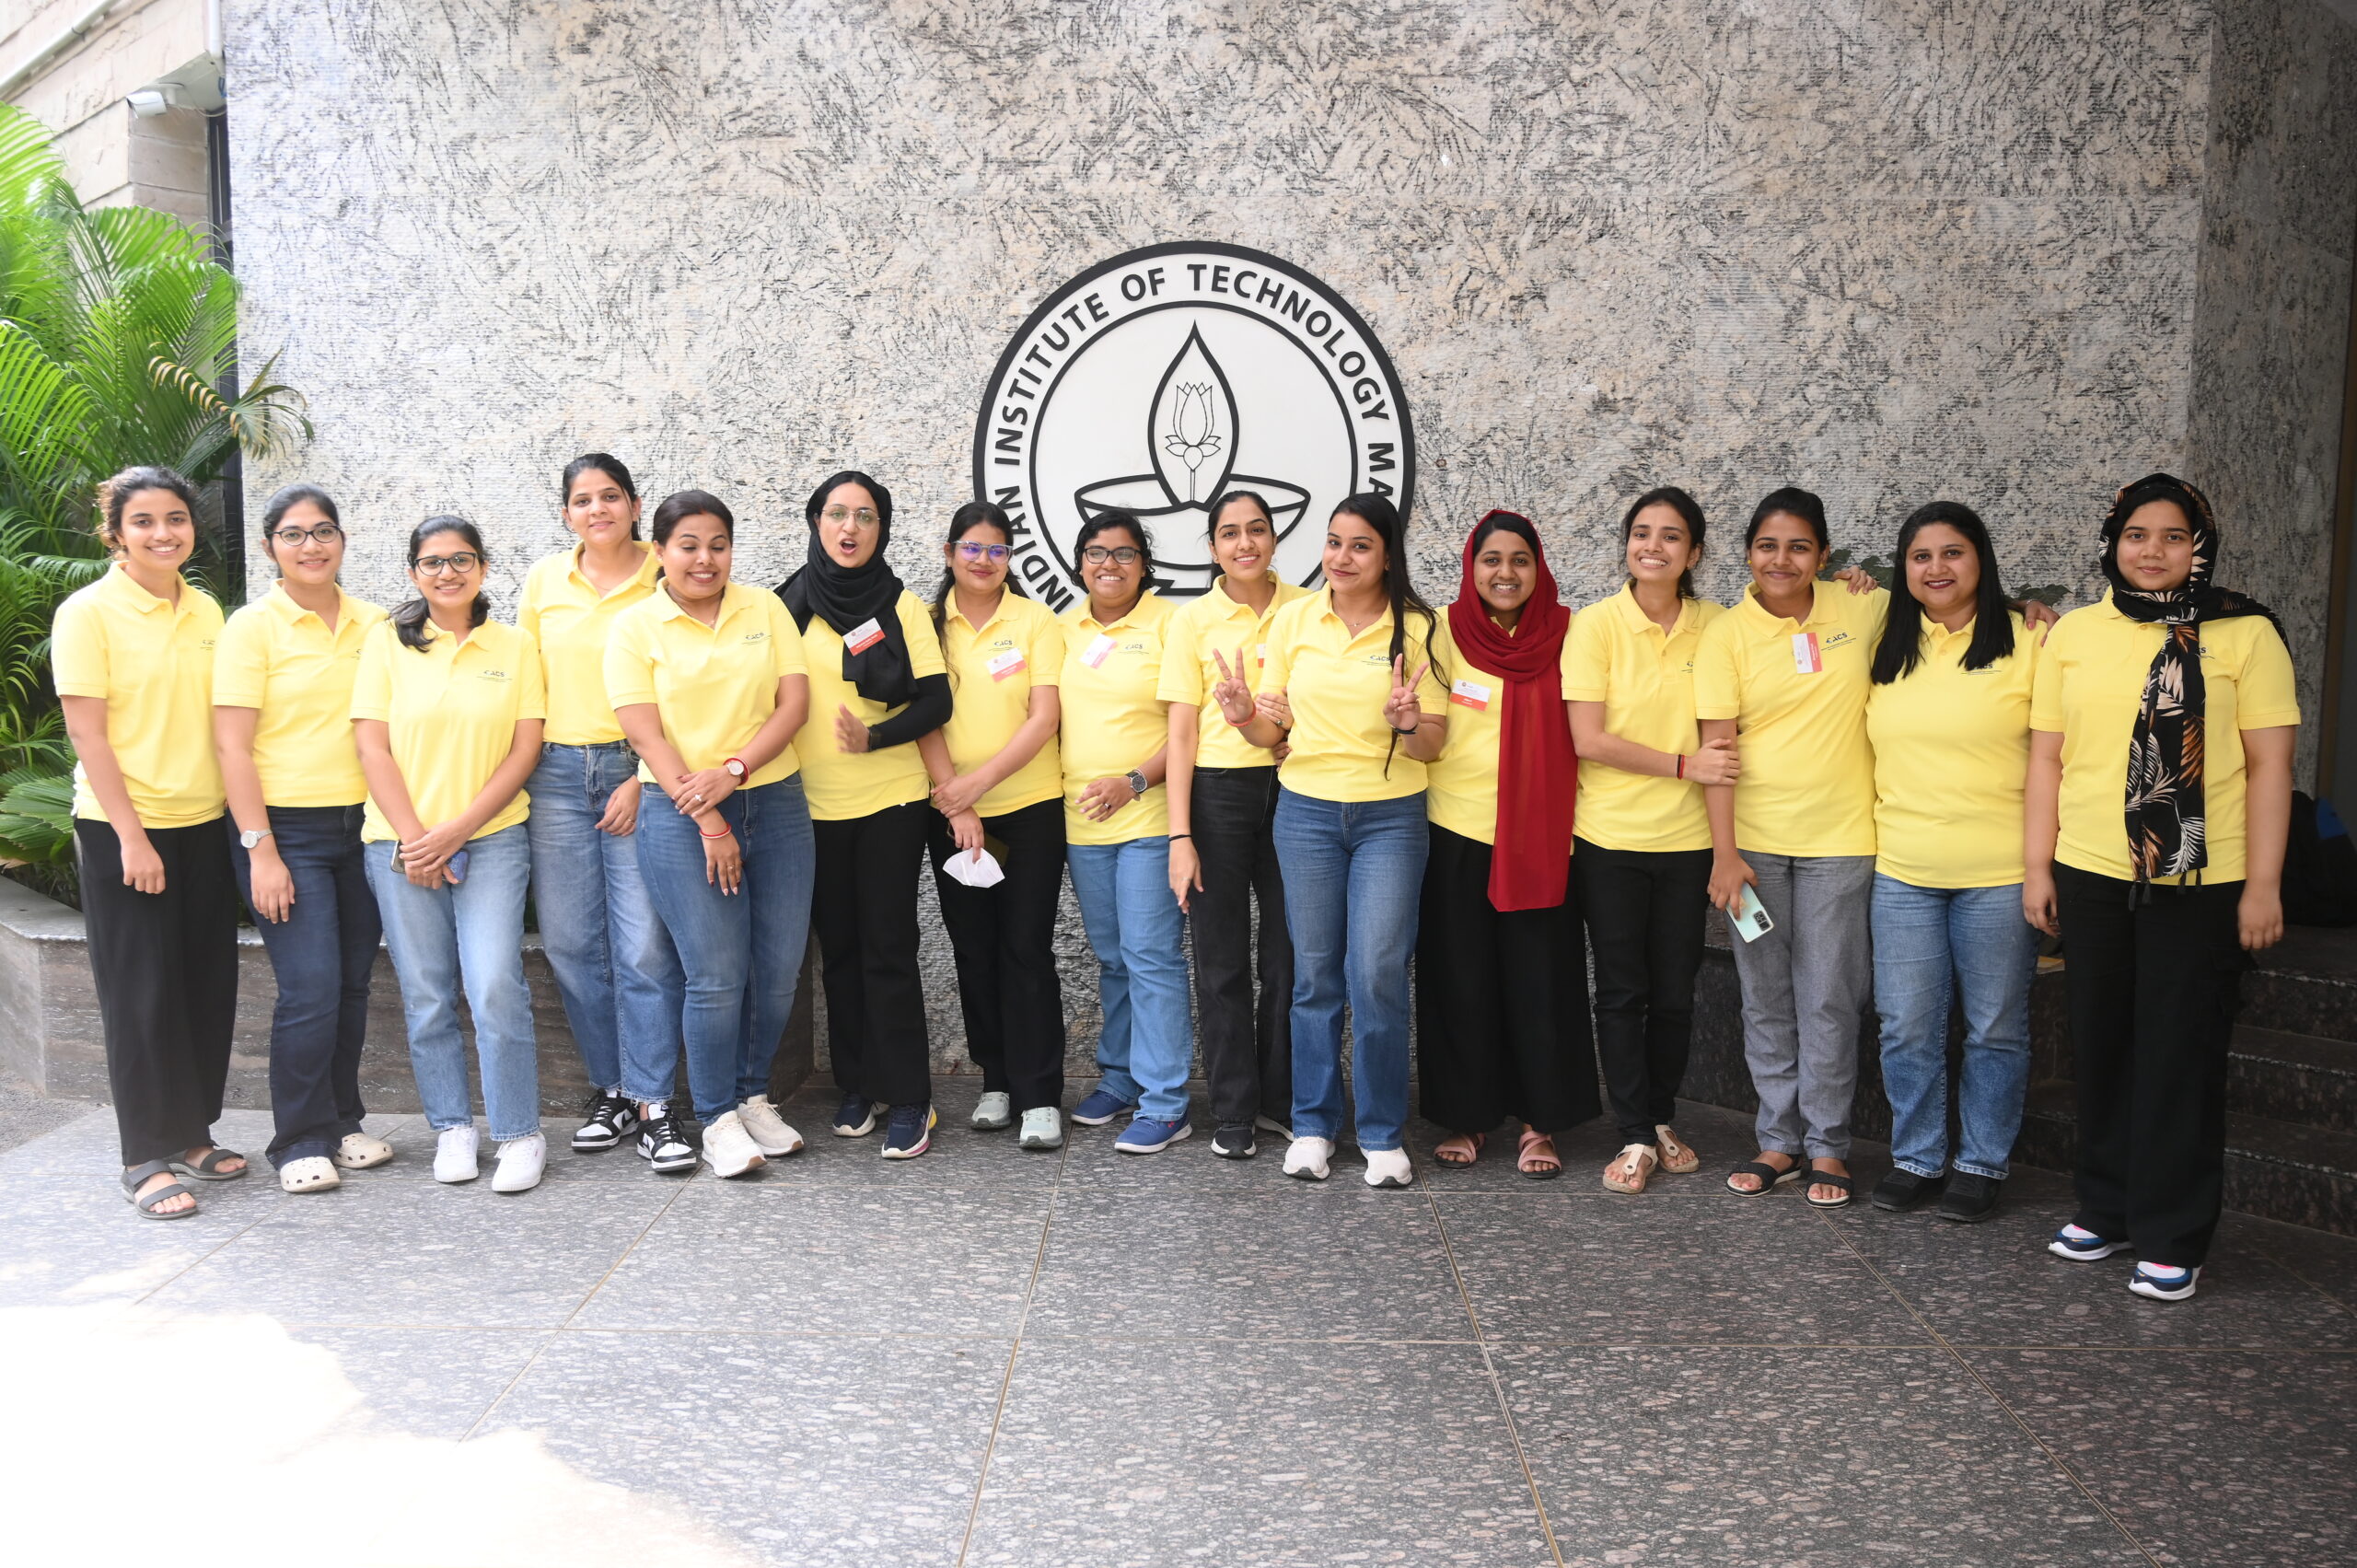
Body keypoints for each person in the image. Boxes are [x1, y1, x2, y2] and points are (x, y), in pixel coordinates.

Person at [2026, 473, 2295, 1302]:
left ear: (2199, 546)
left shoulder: (2245, 632)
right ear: (2113, 541)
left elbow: (2271, 766)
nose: (2153, 551)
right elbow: (2046, 758)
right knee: (2102, 1044)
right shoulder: (2074, 633)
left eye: (2173, 536)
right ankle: (2106, 1207)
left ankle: (2173, 1231)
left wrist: (2264, 885)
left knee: (2180, 1054)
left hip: (2201, 882)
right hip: (2093, 873)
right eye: (2136, 534)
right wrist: (2039, 865)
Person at [1225, 494, 1446, 1188]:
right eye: (1333, 542)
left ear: (1387, 555)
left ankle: (1381, 1132)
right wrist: (1243, 716)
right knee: (1314, 975)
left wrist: (1408, 721)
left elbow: (1434, 744)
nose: (1341, 557)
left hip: (1391, 818)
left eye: (1360, 545)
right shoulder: (1295, 619)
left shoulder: (1418, 626)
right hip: (1307, 815)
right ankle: (1313, 1126)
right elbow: (1272, 731)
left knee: (1377, 972)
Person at [608, 490, 815, 1178]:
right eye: (689, 545)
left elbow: (794, 704)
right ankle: (716, 1116)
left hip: (775, 801)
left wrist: (734, 770)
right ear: (659, 550)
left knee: (778, 970)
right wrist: (709, 815)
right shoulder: (635, 626)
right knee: (717, 975)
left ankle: (753, 1096)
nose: (705, 559)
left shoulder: (765, 608)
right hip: (680, 814)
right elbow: (645, 734)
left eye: (718, 545)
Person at [55, 466, 244, 1219]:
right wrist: (132, 837)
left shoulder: (206, 610)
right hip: (121, 828)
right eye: (144, 521)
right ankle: (142, 1154)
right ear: (115, 533)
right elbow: (87, 733)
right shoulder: (87, 614)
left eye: (175, 518)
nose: (163, 533)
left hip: (203, 822)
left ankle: (192, 1134)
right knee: (140, 994)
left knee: (203, 984)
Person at [1694, 488, 1884, 1210]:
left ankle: (1828, 1143)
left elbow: (1949, 603)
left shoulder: (1862, 607)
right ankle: (1778, 1139)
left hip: (1842, 842)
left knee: (1830, 995)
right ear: (1748, 553)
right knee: (1765, 994)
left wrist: (2030, 609)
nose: (1782, 559)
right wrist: (1725, 853)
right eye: (1767, 545)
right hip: (1754, 850)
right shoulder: (1727, 634)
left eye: (1800, 546)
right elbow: (1717, 749)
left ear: (1825, 555)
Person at [354, 517, 549, 1192]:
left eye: (461, 559)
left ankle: (519, 1132)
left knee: (493, 982)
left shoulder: (516, 646)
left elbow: (525, 748)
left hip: (491, 836)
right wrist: (419, 838)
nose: (447, 572)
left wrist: (457, 830)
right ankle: (453, 1127)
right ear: (414, 572)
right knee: (428, 992)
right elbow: (371, 745)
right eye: (432, 562)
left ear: (483, 568)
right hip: (400, 842)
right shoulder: (385, 641)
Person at [1864, 502, 2040, 1224]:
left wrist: (2044, 867)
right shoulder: (1882, 638)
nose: (1937, 568)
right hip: (1903, 870)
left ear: (1981, 561)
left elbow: (2057, 760)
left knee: (1996, 1026)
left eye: (1953, 552)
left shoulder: (2032, 640)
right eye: (1921, 556)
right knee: (1905, 1024)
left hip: (1999, 873)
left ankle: (1981, 1162)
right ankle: (1917, 1156)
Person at [213, 483, 391, 1194]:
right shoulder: (251, 628)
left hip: (365, 828)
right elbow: (231, 746)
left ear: (342, 540)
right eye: (293, 534)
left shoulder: (376, 623)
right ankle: (297, 1139)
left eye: (322, 531)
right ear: (269, 547)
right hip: (286, 831)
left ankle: (342, 1122)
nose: (310, 545)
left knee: (351, 984)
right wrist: (260, 848)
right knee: (310, 987)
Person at [1417, 510, 1596, 1178]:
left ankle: (1538, 1122)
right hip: (1458, 830)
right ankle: (1466, 1115)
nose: (1506, 573)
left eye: (1520, 560)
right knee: (1460, 979)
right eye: (1491, 559)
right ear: (1471, 567)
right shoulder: (1440, 630)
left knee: (1540, 982)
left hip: (1543, 834)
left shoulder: (1570, 632)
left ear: (1538, 567)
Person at [781, 470, 952, 1160]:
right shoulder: (786, 606)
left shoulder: (901, 605)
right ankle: (858, 1085)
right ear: (816, 521)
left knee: (887, 949)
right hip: (810, 807)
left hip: (890, 801)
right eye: (837, 513)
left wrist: (874, 737)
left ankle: (911, 1096)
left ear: (882, 529)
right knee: (841, 953)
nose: (849, 528)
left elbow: (936, 702)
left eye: (865, 516)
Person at [1564, 487, 1729, 1194]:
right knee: (1621, 990)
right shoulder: (1596, 625)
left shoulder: (1719, 625)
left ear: (1694, 553)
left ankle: (1660, 1118)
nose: (1652, 546)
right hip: (1609, 838)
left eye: (1670, 536)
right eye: (1641, 533)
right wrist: (1685, 765)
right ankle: (1633, 1130)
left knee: (1675, 993)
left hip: (1689, 841)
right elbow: (1589, 738)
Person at [517, 454, 682, 1161]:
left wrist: (643, 774)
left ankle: (654, 1101)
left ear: (636, 505)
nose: (597, 510)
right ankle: (613, 1089)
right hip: (556, 775)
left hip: (635, 769)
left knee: (643, 945)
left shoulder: (666, 572)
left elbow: (686, 685)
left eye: (610, 496)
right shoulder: (544, 581)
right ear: (566, 514)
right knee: (571, 944)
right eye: (582, 500)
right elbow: (525, 686)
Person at [1160, 490, 1309, 1158]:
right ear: (1213, 547)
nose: (1244, 543)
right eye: (1229, 533)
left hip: (1296, 789)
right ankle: (1233, 1107)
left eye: (1256, 529)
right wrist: (1180, 836)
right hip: (1217, 795)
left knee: (1290, 956)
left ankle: (1281, 1099)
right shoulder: (1192, 621)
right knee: (1219, 958)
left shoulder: (1308, 608)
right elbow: (1181, 733)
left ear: (1274, 537)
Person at [923, 502, 1069, 1151]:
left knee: (1025, 949)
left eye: (997, 549)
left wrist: (975, 788)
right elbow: (923, 716)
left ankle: (1040, 1095)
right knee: (973, 947)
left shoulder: (1035, 621)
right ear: (950, 552)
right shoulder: (927, 624)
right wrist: (957, 804)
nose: (983, 560)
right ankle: (997, 1081)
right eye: (972, 547)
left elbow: (1043, 719)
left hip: (1030, 808)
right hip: (952, 814)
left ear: (1010, 558)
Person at [1058, 510, 1190, 1154]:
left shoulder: (1171, 625)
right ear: (1080, 563)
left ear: (1144, 563)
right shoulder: (1063, 629)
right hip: (1082, 824)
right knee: (1113, 958)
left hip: (1149, 818)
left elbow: (1187, 730)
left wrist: (1131, 782)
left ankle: (1166, 1101)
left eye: (1124, 553)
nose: (1108, 564)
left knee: (1151, 957)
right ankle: (1121, 1077)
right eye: (1096, 552)